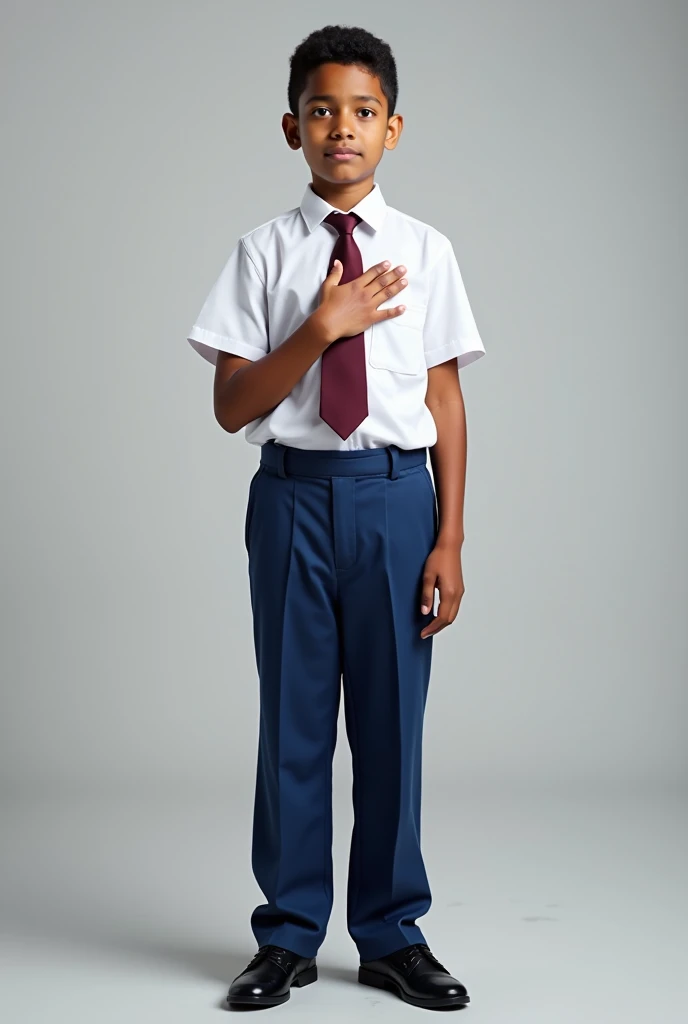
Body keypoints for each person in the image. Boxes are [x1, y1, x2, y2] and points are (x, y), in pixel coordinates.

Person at [186, 24, 485, 1012]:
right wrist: (320, 328)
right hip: (294, 499)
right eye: (321, 111)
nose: (340, 129)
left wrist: (447, 536)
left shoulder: (426, 251)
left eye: (361, 112)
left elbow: (442, 398)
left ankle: (392, 933)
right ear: (291, 128)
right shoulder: (264, 254)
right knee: (295, 724)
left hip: (397, 499)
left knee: (393, 725)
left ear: (391, 128)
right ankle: (286, 935)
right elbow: (232, 406)